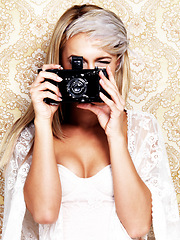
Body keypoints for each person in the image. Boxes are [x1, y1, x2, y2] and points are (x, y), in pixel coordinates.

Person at [0, 4, 180, 240]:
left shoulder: (143, 128)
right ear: (59, 64)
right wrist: (43, 122)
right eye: (77, 62)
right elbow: (44, 213)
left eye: (102, 61)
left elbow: (138, 227)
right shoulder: (32, 136)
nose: (87, 74)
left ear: (118, 64)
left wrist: (115, 135)